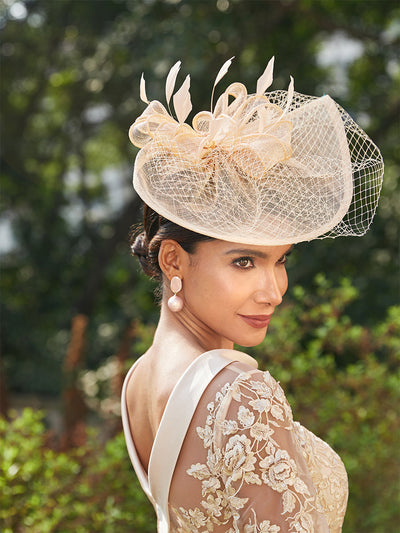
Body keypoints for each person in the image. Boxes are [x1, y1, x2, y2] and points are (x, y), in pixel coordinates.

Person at [121, 57, 383, 532]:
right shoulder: (238, 393)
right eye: (244, 262)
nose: (274, 292)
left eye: (280, 260)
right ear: (173, 260)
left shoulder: (138, 380)